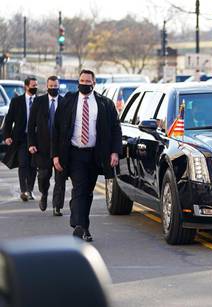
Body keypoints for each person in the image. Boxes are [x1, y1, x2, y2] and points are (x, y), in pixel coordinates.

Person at [52, 69, 122, 242]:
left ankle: (84, 226)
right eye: (81, 80)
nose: (84, 83)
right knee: (79, 188)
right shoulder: (68, 101)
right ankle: (78, 225)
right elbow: (57, 129)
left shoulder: (105, 104)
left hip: (95, 154)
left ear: (94, 83)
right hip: (74, 153)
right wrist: (55, 156)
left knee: (87, 191)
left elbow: (115, 128)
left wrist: (115, 152)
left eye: (87, 81)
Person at [28, 76, 66, 215]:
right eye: (51, 86)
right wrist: (31, 144)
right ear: (47, 86)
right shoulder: (38, 102)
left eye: (55, 86)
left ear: (59, 86)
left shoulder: (64, 102)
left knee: (60, 179)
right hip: (42, 148)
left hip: (60, 148)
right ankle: (44, 194)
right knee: (43, 176)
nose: (53, 88)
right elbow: (31, 125)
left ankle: (57, 207)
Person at [2, 77, 38, 201]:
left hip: (36, 138)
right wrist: (6, 136)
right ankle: (23, 191)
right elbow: (9, 120)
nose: (35, 88)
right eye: (33, 85)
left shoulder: (39, 101)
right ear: (26, 87)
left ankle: (30, 189)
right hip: (21, 138)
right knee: (23, 164)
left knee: (33, 165)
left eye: (36, 85)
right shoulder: (16, 101)